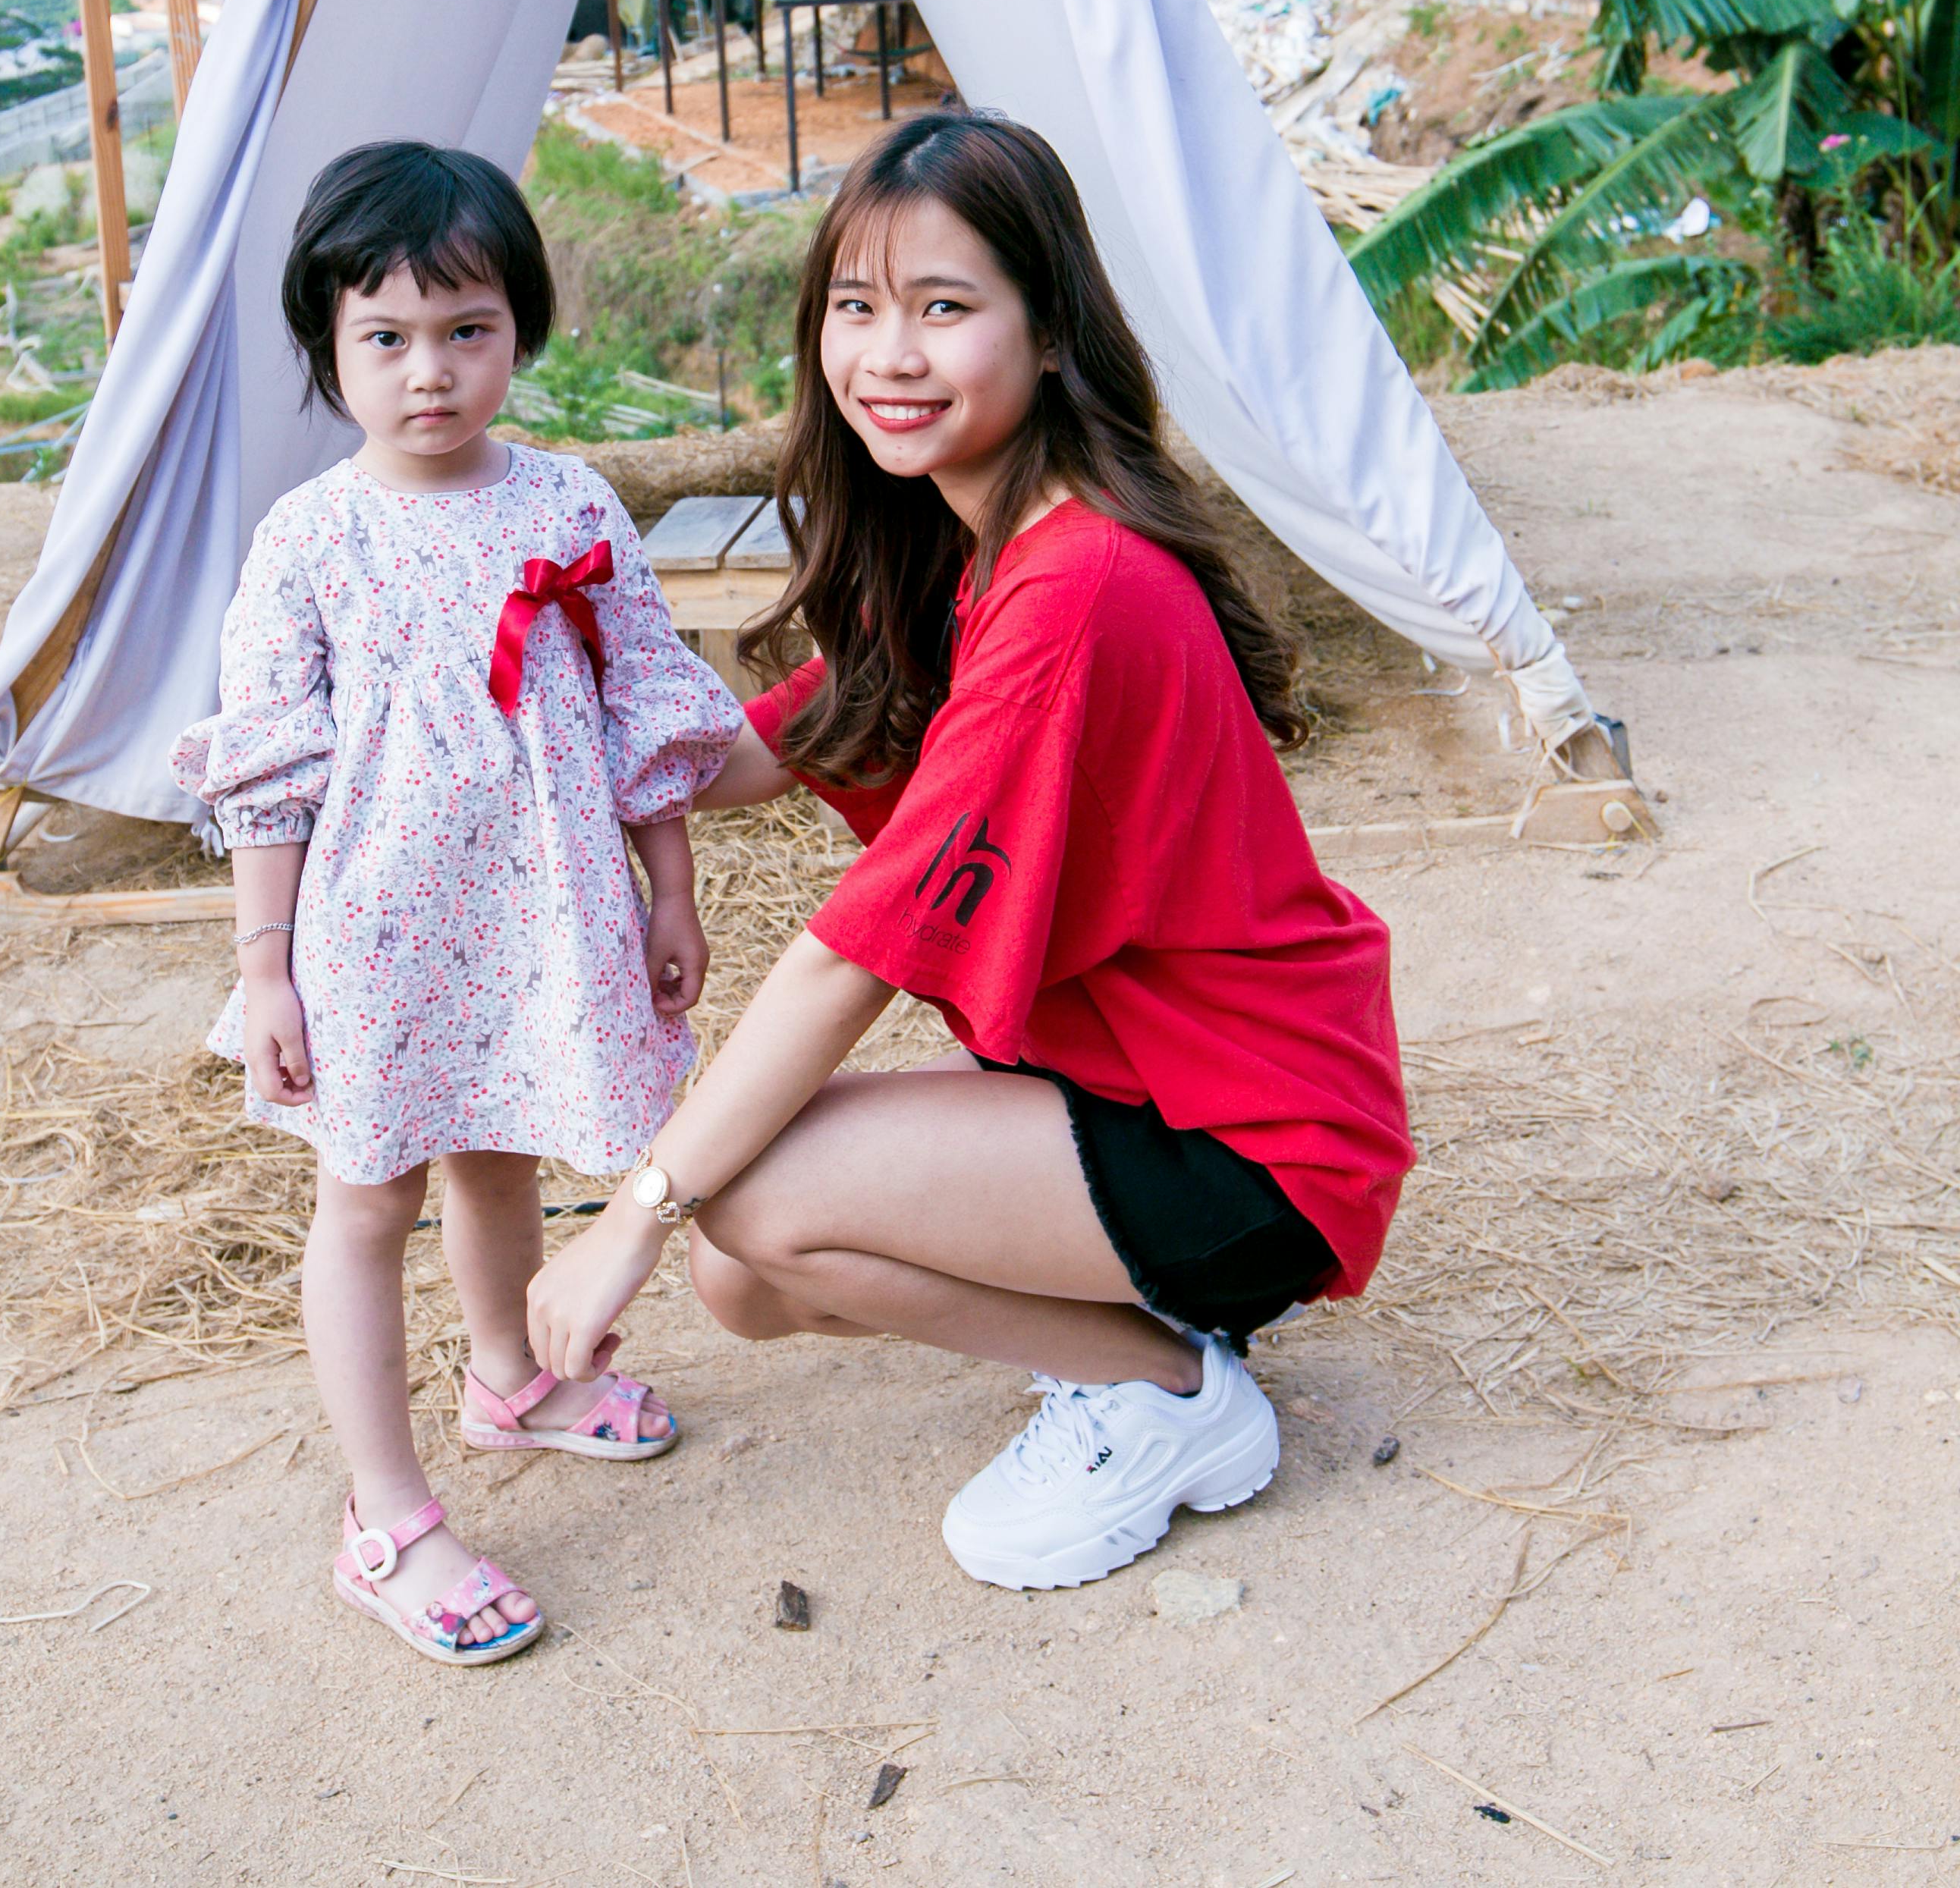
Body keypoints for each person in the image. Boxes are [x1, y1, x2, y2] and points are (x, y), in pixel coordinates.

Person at [526, 109, 1415, 1592]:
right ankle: (1138, 1342)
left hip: (1255, 1136)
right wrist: (545, 743)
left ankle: (1174, 1397)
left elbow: (851, 957)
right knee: (742, 1281)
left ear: (1051, 330)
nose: (889, 355)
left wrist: (627, 1212)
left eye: (945, 309)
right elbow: (770, 747)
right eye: (857, 309)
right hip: (1132, 1083)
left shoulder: (1073, 589)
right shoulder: (962, 540)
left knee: (735, 1205)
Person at [171, 142, 741, 1664]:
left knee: (500, 1152)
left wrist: (668, 890)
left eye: (466, 329)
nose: (430, 372)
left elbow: (643, 714)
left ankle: (515, 1379)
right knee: (368, 1200)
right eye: (385, 338)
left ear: (520, 330)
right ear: (329, 348)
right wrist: (268, 970)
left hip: (539, 920)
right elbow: (271, 775)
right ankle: (388, 1519)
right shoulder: (311, 541)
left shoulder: (573, 502)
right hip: (370, 938)